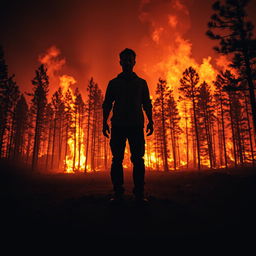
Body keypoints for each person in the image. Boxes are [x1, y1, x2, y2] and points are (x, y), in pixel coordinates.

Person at [102, 48, 154, 204]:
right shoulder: (113, 83)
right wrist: (104, 122)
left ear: (134, 62)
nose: (127, 62)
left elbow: (147, 104)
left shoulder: (141, 83)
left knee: (138, 160)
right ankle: (118, 193)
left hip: (136, 126)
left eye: (130, 59)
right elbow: (107, 104)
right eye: (124, 60)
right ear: (120, 62)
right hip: (118, 125)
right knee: (117, 160)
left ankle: (139, 194)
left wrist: (150, 121)